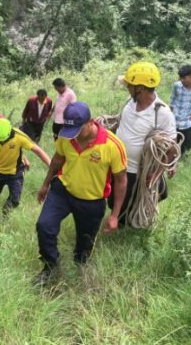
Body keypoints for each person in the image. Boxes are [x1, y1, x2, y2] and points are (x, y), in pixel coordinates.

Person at [35, 102, 127, 284]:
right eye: (71, 131)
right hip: (63, 191)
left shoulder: (112, 145)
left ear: (91, 122)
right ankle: (50, 266)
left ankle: (80, 270)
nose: (74, 136)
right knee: (44, 226)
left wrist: (115, 215)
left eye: (78, 130)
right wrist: (45, 185)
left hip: (92, 201)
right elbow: (57, 159)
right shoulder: (66, 136)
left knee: (84, 248)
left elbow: (121, 180)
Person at [112, 61, 177, 228]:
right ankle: (120, 224)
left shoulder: (162, 113)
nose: (127, 87)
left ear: (140, 88)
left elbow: (172, 147)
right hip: (118, 164)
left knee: (130, 204)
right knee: (114, 201)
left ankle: (130, 229)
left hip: (137, 171)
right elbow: (121, 123)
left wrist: (156, 174)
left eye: (130, 85)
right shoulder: (130, 101)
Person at [0, 119, 51, 215]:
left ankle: (4, 215)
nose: (1, 141)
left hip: (15, 173)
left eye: (3, 139)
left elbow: (38, 151)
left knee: (15, 199)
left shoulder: (19, 136)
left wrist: (51, 166)